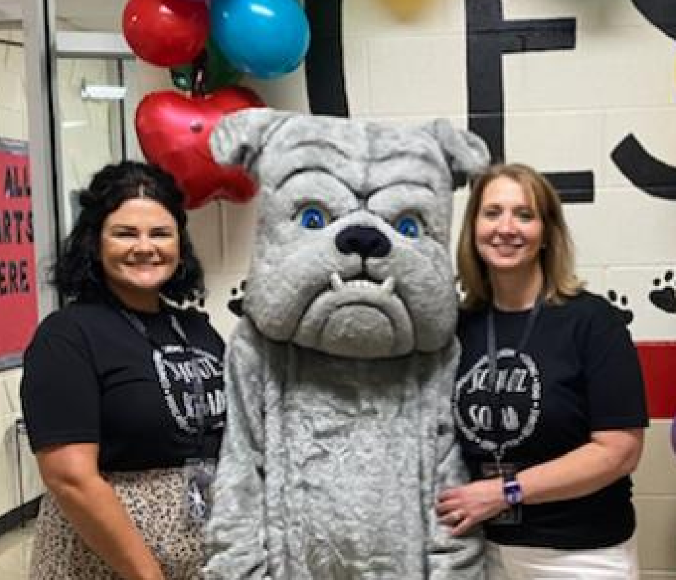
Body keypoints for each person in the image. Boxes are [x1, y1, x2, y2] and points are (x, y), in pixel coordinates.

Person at [437, 163, 648, 578]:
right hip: (486, 552)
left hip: (583, 557)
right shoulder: (458, 327)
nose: (506, 227)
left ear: (547, 232)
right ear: (473, 226)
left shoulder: (592, 321)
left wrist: (506, 492)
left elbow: (620, 450)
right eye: (492, 212)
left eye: (525, 214)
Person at [20, 161, 226, 580]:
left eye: (160, 233)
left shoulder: (197, 330)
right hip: (106, 566)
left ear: (179, 245)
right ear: (95, 243)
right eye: (125, 233)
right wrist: (147, 575)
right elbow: (70, 477)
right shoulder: (67, 336)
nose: (145, 247)